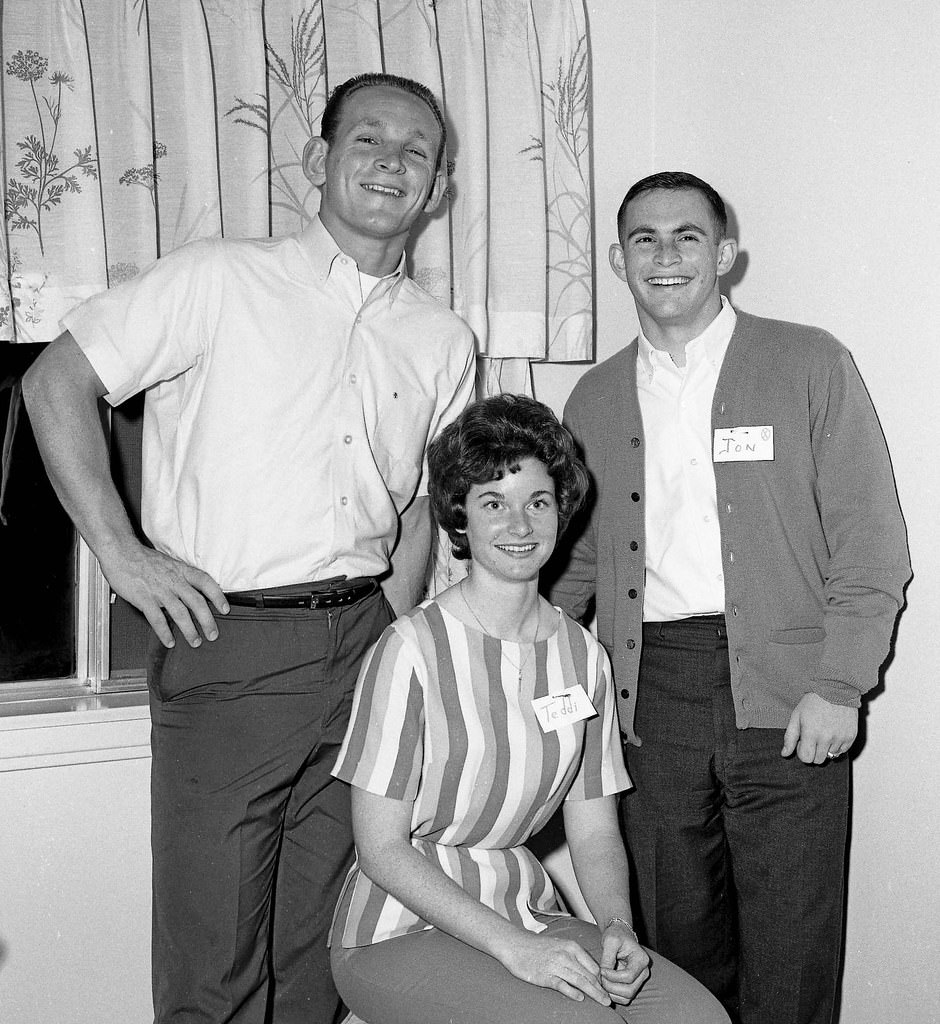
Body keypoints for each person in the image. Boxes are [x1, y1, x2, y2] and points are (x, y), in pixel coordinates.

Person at [22, 73, 476, 1024]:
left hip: (365, 645)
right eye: (369, 141)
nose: (392, 163)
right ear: (318, 160)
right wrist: (123, 555)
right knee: (213, 966)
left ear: (436, 189)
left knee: (319, 954)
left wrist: (397, 635)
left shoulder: (442, 338)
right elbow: (54, 384)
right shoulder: (218, 276)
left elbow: (421, 509)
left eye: (416, 152)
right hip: (231, 644)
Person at [546, 171, 911, 1024]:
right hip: (646, 692)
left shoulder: (808, 361)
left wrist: (842, 683)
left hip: (790, 688)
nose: (665, 255)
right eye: (644, 238)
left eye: (686, 237)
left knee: (792, 941)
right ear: (615, 258)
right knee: (675, 940)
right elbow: (577, 563)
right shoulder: (593, 397)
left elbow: (870, 541)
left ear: (725, 253)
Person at [328, 394, 729, 1024]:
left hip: (524, 911)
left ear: (560, 512)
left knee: (699, 1020)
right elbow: (382, 849)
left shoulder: (583, 655)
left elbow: (594, 830)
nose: (520, 525)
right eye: (494, 503)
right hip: (397, 929)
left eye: (537, 502)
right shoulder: (409, 650)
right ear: (459, 517)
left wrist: (617, 926)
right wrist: (518, 950)